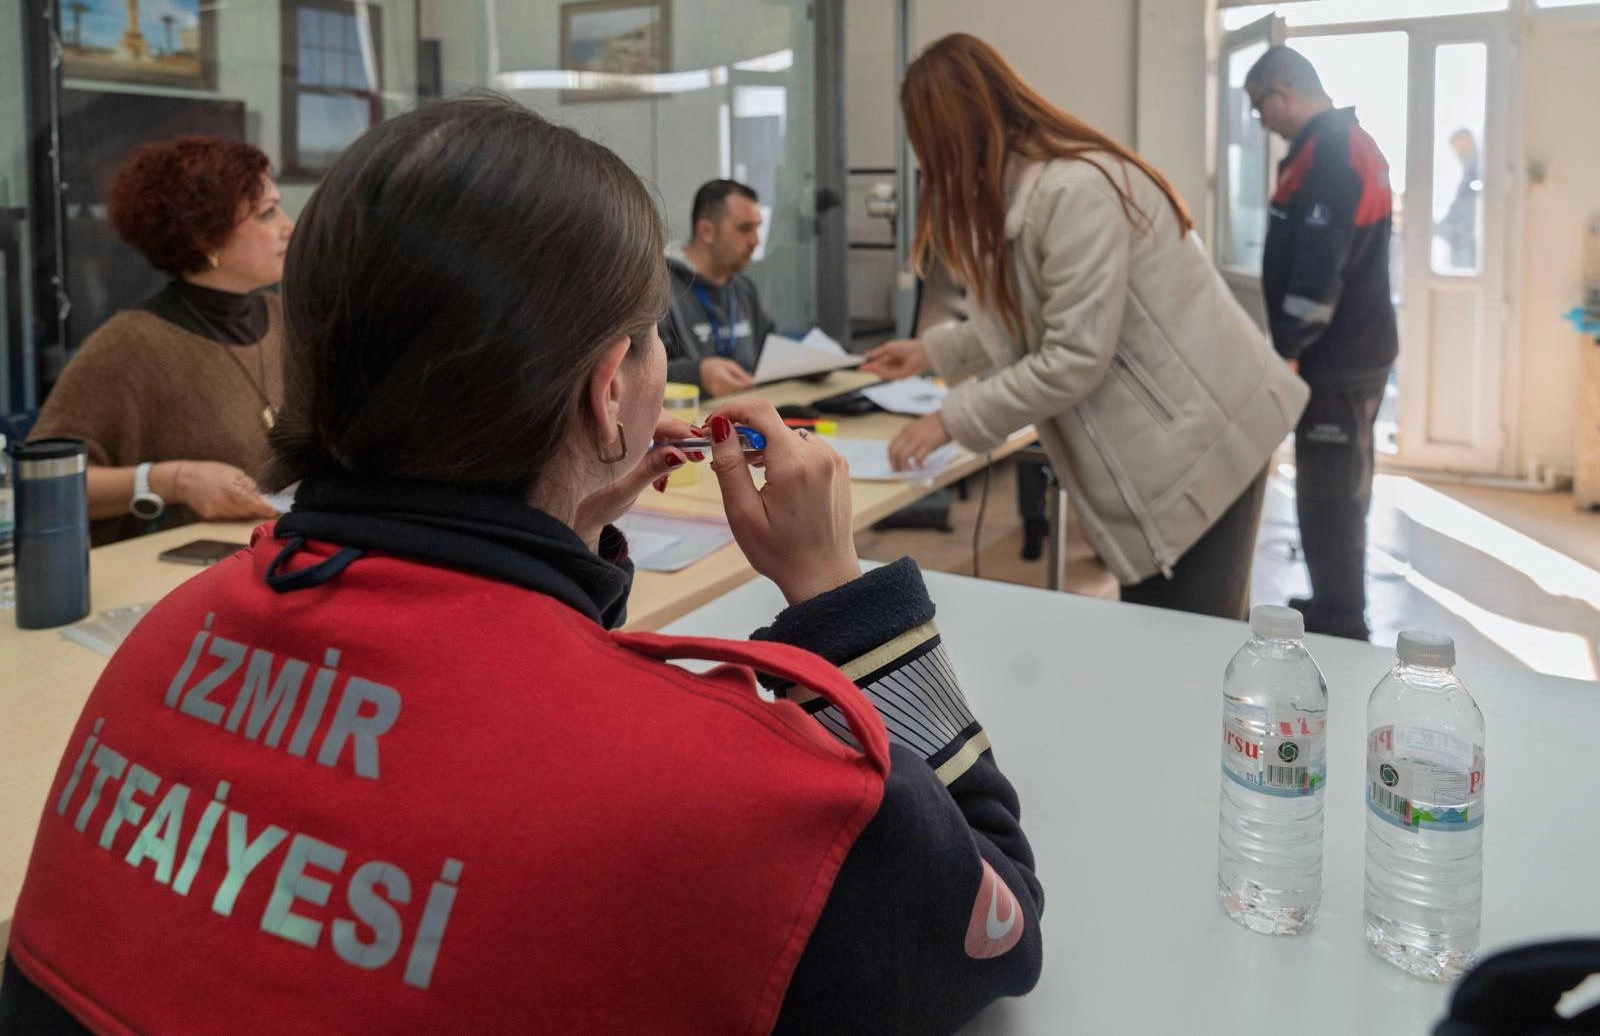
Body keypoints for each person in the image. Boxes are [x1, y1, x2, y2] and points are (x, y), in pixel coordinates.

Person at [0, 95, 1042, 1036]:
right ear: (607, 396)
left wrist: (571, 513)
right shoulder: (713, 786)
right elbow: (995, 919)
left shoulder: (167, 641)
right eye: (648, 346)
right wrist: (842, 597)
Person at [864, 34, 1307, 621]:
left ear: (954, 132)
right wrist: (930, 352)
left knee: (1184, 653)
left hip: (1204, 450)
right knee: (1181, 645)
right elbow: (1035, 324)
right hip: (1188, 446)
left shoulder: (1073, 193)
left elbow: (1073, 356)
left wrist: (951, 419)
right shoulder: (1035, 193)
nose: (929, 168)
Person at [27, 137, 291, 545]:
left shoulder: (284, 319)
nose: (288, 227)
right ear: (206, 236)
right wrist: (172, 481)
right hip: (185, 584)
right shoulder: (129, 345)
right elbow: (46, 487)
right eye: (267, 213)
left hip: (288, 561)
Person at [1246, 45, 1399, 640]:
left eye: (1261, 107)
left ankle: (1343, 621)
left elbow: (1317, 270)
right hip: (1352, 349)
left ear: (1283, 93)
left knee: (1331, 493)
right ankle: (1334, 598)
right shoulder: (1334, 144)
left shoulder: (1332, 152)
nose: (1261, 121)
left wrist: (1287, 348)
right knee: (1334, 485)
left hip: (1337, 357)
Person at [661, 179, 780, 396]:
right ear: (707, 231)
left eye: (757, 228)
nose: (755, 241)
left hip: (746, 419)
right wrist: (698, 375)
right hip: (688, 424)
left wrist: (824, 363)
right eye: (745, 228)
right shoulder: (657, 288)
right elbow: (636, 372)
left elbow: (772, 353)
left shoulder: (744, 289)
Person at [1436, 128, 1481, 270]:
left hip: (1469, 249)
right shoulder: (1470, 172)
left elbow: (1466, 210)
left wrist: (1444, 228)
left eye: (1460, 148)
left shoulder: (1477, 173)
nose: (1457, 153)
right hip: (1464, 248)